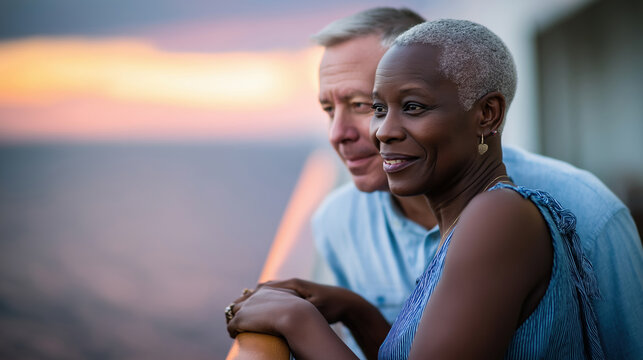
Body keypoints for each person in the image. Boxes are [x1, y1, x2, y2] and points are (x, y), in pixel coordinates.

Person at [227, 8, 643, 360]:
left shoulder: (502, 216)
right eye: (377, 107)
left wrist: (295, 320)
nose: (381, 130)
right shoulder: (465, 218)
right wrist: (357, 311)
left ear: (487, 115)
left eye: (412, 106)